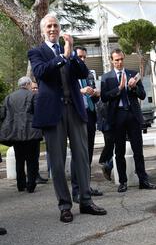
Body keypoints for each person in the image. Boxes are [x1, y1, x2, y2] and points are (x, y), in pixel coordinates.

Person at [28, 13, 107, 223]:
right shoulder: (37, 52)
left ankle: (86, 201)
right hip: (53, 113)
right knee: (57, 160)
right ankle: (64, 205)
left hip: (75, 109)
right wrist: (62, 56)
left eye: (56, 26)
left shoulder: (69, 51)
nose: (53, 29)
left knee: (82, 156)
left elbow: (82, 73)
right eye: (49, 26)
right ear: (43, 30)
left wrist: (71, 53)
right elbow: (40, 72)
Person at [101, 48, 156, 193]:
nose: (119, 62)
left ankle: (143, 180)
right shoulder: (106, 78)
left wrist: (133, 88)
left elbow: (143, 95)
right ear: (112, 61)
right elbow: (104, 97)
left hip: (133, 116)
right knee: (119, 152)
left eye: (121, 59)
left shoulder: (133, 74)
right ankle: (123, 182)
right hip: (117, 117)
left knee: (138, 150)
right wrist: (119, 89)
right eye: (116, 60)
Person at [70, 46, 103, 202]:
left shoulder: (88, 73)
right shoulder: (69, 73)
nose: (82, 60)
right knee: (77, 154)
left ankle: (86, 187)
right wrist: (81, 91)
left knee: (88, 153)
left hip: (89, 115)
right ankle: (76, 190)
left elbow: (95, 97)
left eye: (84, 57)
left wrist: (95, 93)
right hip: (75, 115)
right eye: (79, 57)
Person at [0, 76, 43, 193]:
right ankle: (31, 185)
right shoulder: (33, 95)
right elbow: (38, 113)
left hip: (15, 134)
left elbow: (2, 114)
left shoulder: (9, 97)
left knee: (19, 159)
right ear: (28, 84)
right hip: (31, 133)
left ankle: (21, 185)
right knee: (32, 160)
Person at [30, 81, 49, 185]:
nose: (35, 90)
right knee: (32, 156)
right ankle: (34, 177)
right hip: (33, 131)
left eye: (36, 88)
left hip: (38, 130)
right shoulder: (33, 98)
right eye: (33, 88)